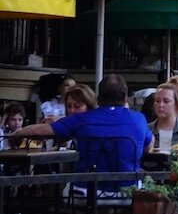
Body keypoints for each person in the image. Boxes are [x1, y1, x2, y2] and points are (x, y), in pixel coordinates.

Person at [10, 74, 151, 194]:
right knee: (138, 207)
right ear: (125, 96)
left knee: (64, 196)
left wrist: (17, 133)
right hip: (127, 192)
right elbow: (148, 146)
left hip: (85, 192)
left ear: (99, 96)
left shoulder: (82, 119)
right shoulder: (139, 119)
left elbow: (39, 130)